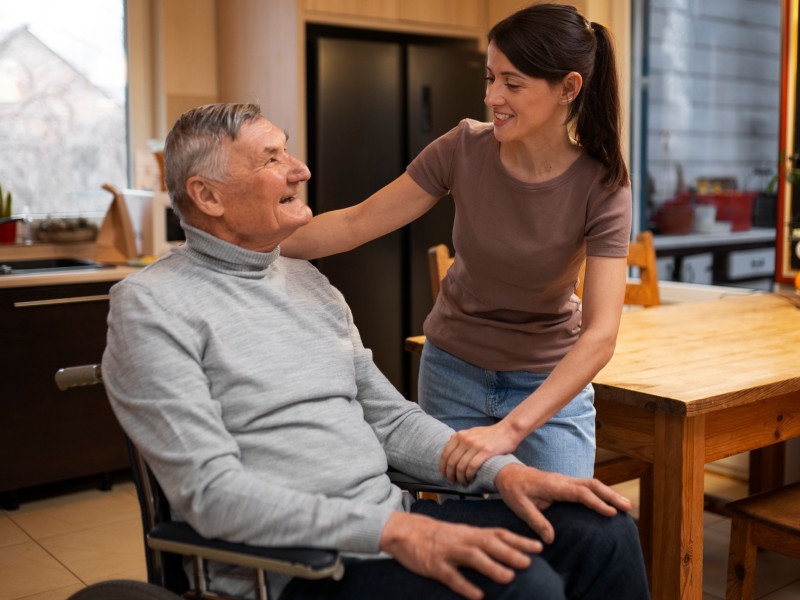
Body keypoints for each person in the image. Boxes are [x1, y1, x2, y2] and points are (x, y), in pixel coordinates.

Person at [102, 102, 649, 600]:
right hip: (293, 570)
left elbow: (389, 422)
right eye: (272, 158)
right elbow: (211, 494)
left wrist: (505, 473)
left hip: (385, 530)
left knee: (603, 529)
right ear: (208, 195)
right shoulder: (152, 305)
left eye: (287, 149)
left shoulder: (308, 282)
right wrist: (394, 530)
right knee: (519, 587)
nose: (300, 169)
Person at [280, 3, 630, 486]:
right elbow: (357, 222)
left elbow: (600, 336)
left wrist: (512, 429)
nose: (492, 97)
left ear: (568, 88)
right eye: (490, 78)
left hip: (548, 387)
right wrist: (244, 241)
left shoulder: (603, 184)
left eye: (512, 83)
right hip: (452, 374)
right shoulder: (462, 147)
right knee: (467, 540)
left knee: (562, 535)